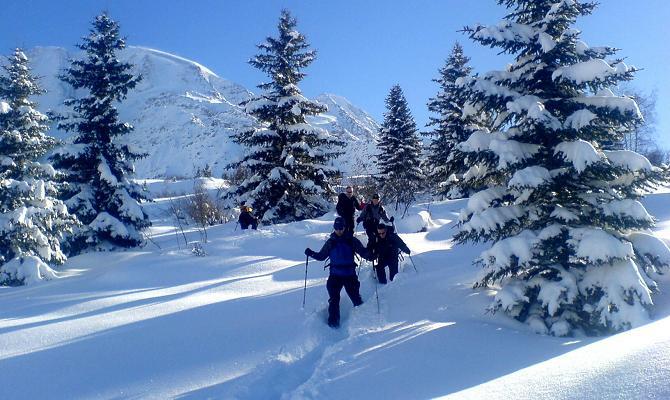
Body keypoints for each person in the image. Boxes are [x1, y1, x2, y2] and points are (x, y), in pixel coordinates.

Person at [305, 216, 372, 328]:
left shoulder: (351, 240)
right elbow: (321, 256)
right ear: (334, 228)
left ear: (345, 227)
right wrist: (311, 253)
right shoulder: (331, 242)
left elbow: (363, 252)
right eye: (337, 228)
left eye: (341, 228)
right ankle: (333, 324)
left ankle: (363, 320)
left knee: (355, 297)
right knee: (334, 300)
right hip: (335, 276)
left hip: (349, 274)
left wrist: (371, 255)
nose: (339, 230)